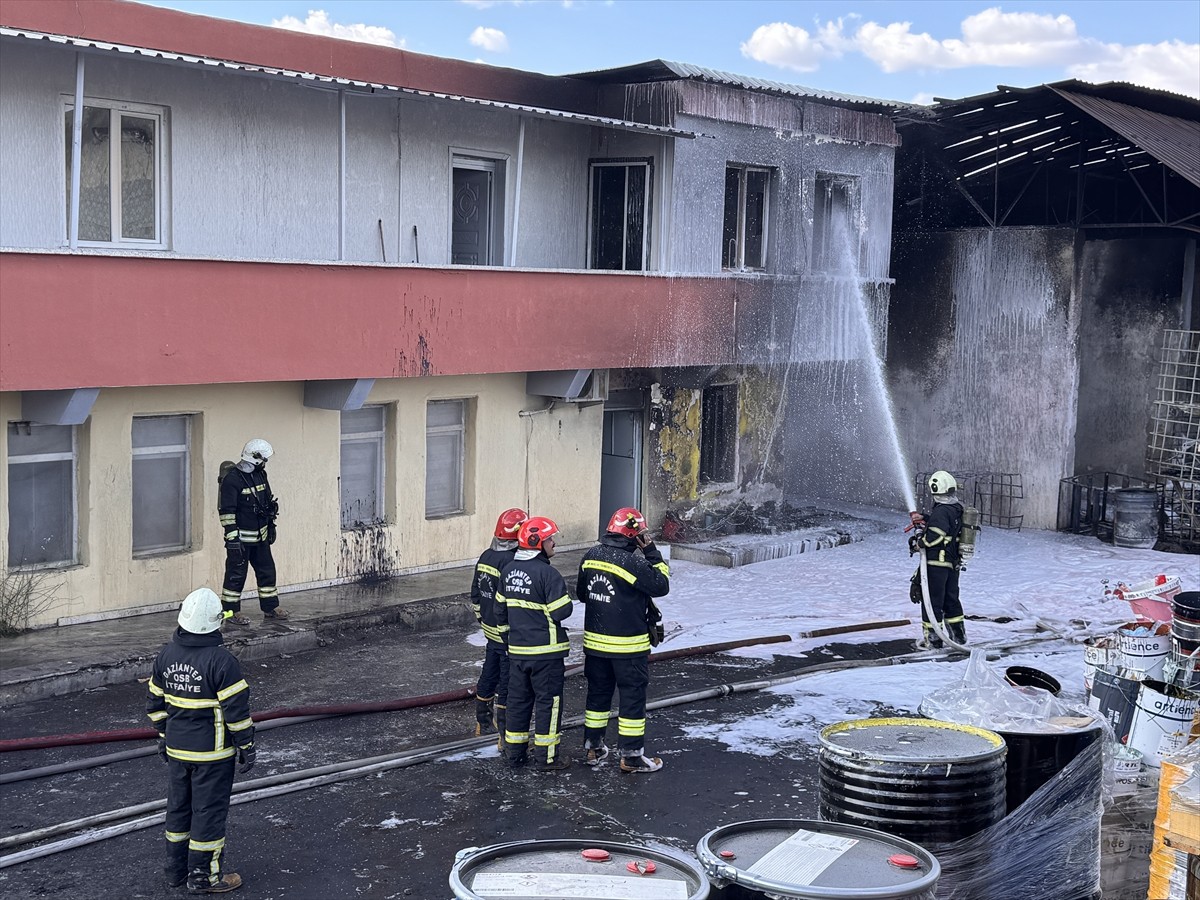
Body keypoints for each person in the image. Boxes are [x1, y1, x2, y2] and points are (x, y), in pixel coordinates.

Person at [146, 588, 257, 894]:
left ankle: (175, 872)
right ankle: (205, 877)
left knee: (179, 809)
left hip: (177, 751)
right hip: (213, 755)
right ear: (215, 623)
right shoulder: (222, 662)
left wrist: (164, 737)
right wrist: (246, 745)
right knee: (208, 813)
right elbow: (237, 711)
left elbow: (155, 705)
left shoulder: (166, 655)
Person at [577, 507, 671, 774]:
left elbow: (583, 594)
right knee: (631, 699)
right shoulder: (635, 563)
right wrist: (651, 551)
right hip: (628, 647)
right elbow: (662, 584)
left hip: (595, 645)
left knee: (597, 695)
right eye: (641, 533)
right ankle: (631, 758)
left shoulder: (590, 556)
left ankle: (593, 748)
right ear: (634, 535)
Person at [496, 516, 573, 771]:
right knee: (548, 705)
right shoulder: (548, 574)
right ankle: (547, 758)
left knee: (518, 703)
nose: (554, 544)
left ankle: (514, 754)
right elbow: (562, 612)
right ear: (537, 542)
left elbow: (500, 612)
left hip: (517, 654)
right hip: (546, 654)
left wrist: (510, 641)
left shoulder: (507, 571)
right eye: (550, 539)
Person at [470, 508, 527, 742]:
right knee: (507, 680)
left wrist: (483, 620)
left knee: (489, 673)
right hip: (507, 632)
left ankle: (482, 723)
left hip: (490, 629)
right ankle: (504, 733)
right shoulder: (512, 561)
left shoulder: (486, 556)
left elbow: (475, 593)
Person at [218, 439, 286, 625]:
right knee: (236, 575)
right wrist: (232, 538)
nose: (266, 462)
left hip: (261, 537)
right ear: (255, 457)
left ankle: (270, 607)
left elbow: (267, 502)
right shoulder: (232, 480)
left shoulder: (260, 475)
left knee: (267, 571)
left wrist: (270, 525)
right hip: (240, 539)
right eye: (264, 458)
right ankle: (231, 613)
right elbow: (227, 512)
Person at [909, 470, 966, 649]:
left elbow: (936, 534)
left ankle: (933, 641)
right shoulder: (955, 508)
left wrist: (920, 543)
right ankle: (959, 638)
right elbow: (946, 525)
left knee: (932, 601)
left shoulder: (941, 511)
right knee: (951, 600)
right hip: (951, 564)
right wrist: (925, 518)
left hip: (936, 564)